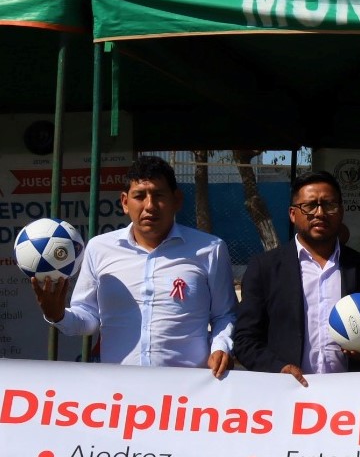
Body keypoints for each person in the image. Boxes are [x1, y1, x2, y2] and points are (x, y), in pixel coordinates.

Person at [33, 155, 235, 376]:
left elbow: (224, 314)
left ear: (176, 200)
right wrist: (58, 315)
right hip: (121, 393)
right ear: (124, 202)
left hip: (186, 393)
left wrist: (221, 347)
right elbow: (89, 317)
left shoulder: (209, 249)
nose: (149, 206)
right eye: (139, 196)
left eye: (158, 195)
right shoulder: (99, 248)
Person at [234, 171, 360, 385]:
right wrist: (278, 368)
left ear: (341, 212)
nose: (320, 213)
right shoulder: (265, 268)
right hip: (286, 396)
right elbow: (245, 340)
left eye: (329, 205)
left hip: (349, 399)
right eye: (309, 206)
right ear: (293, 214)